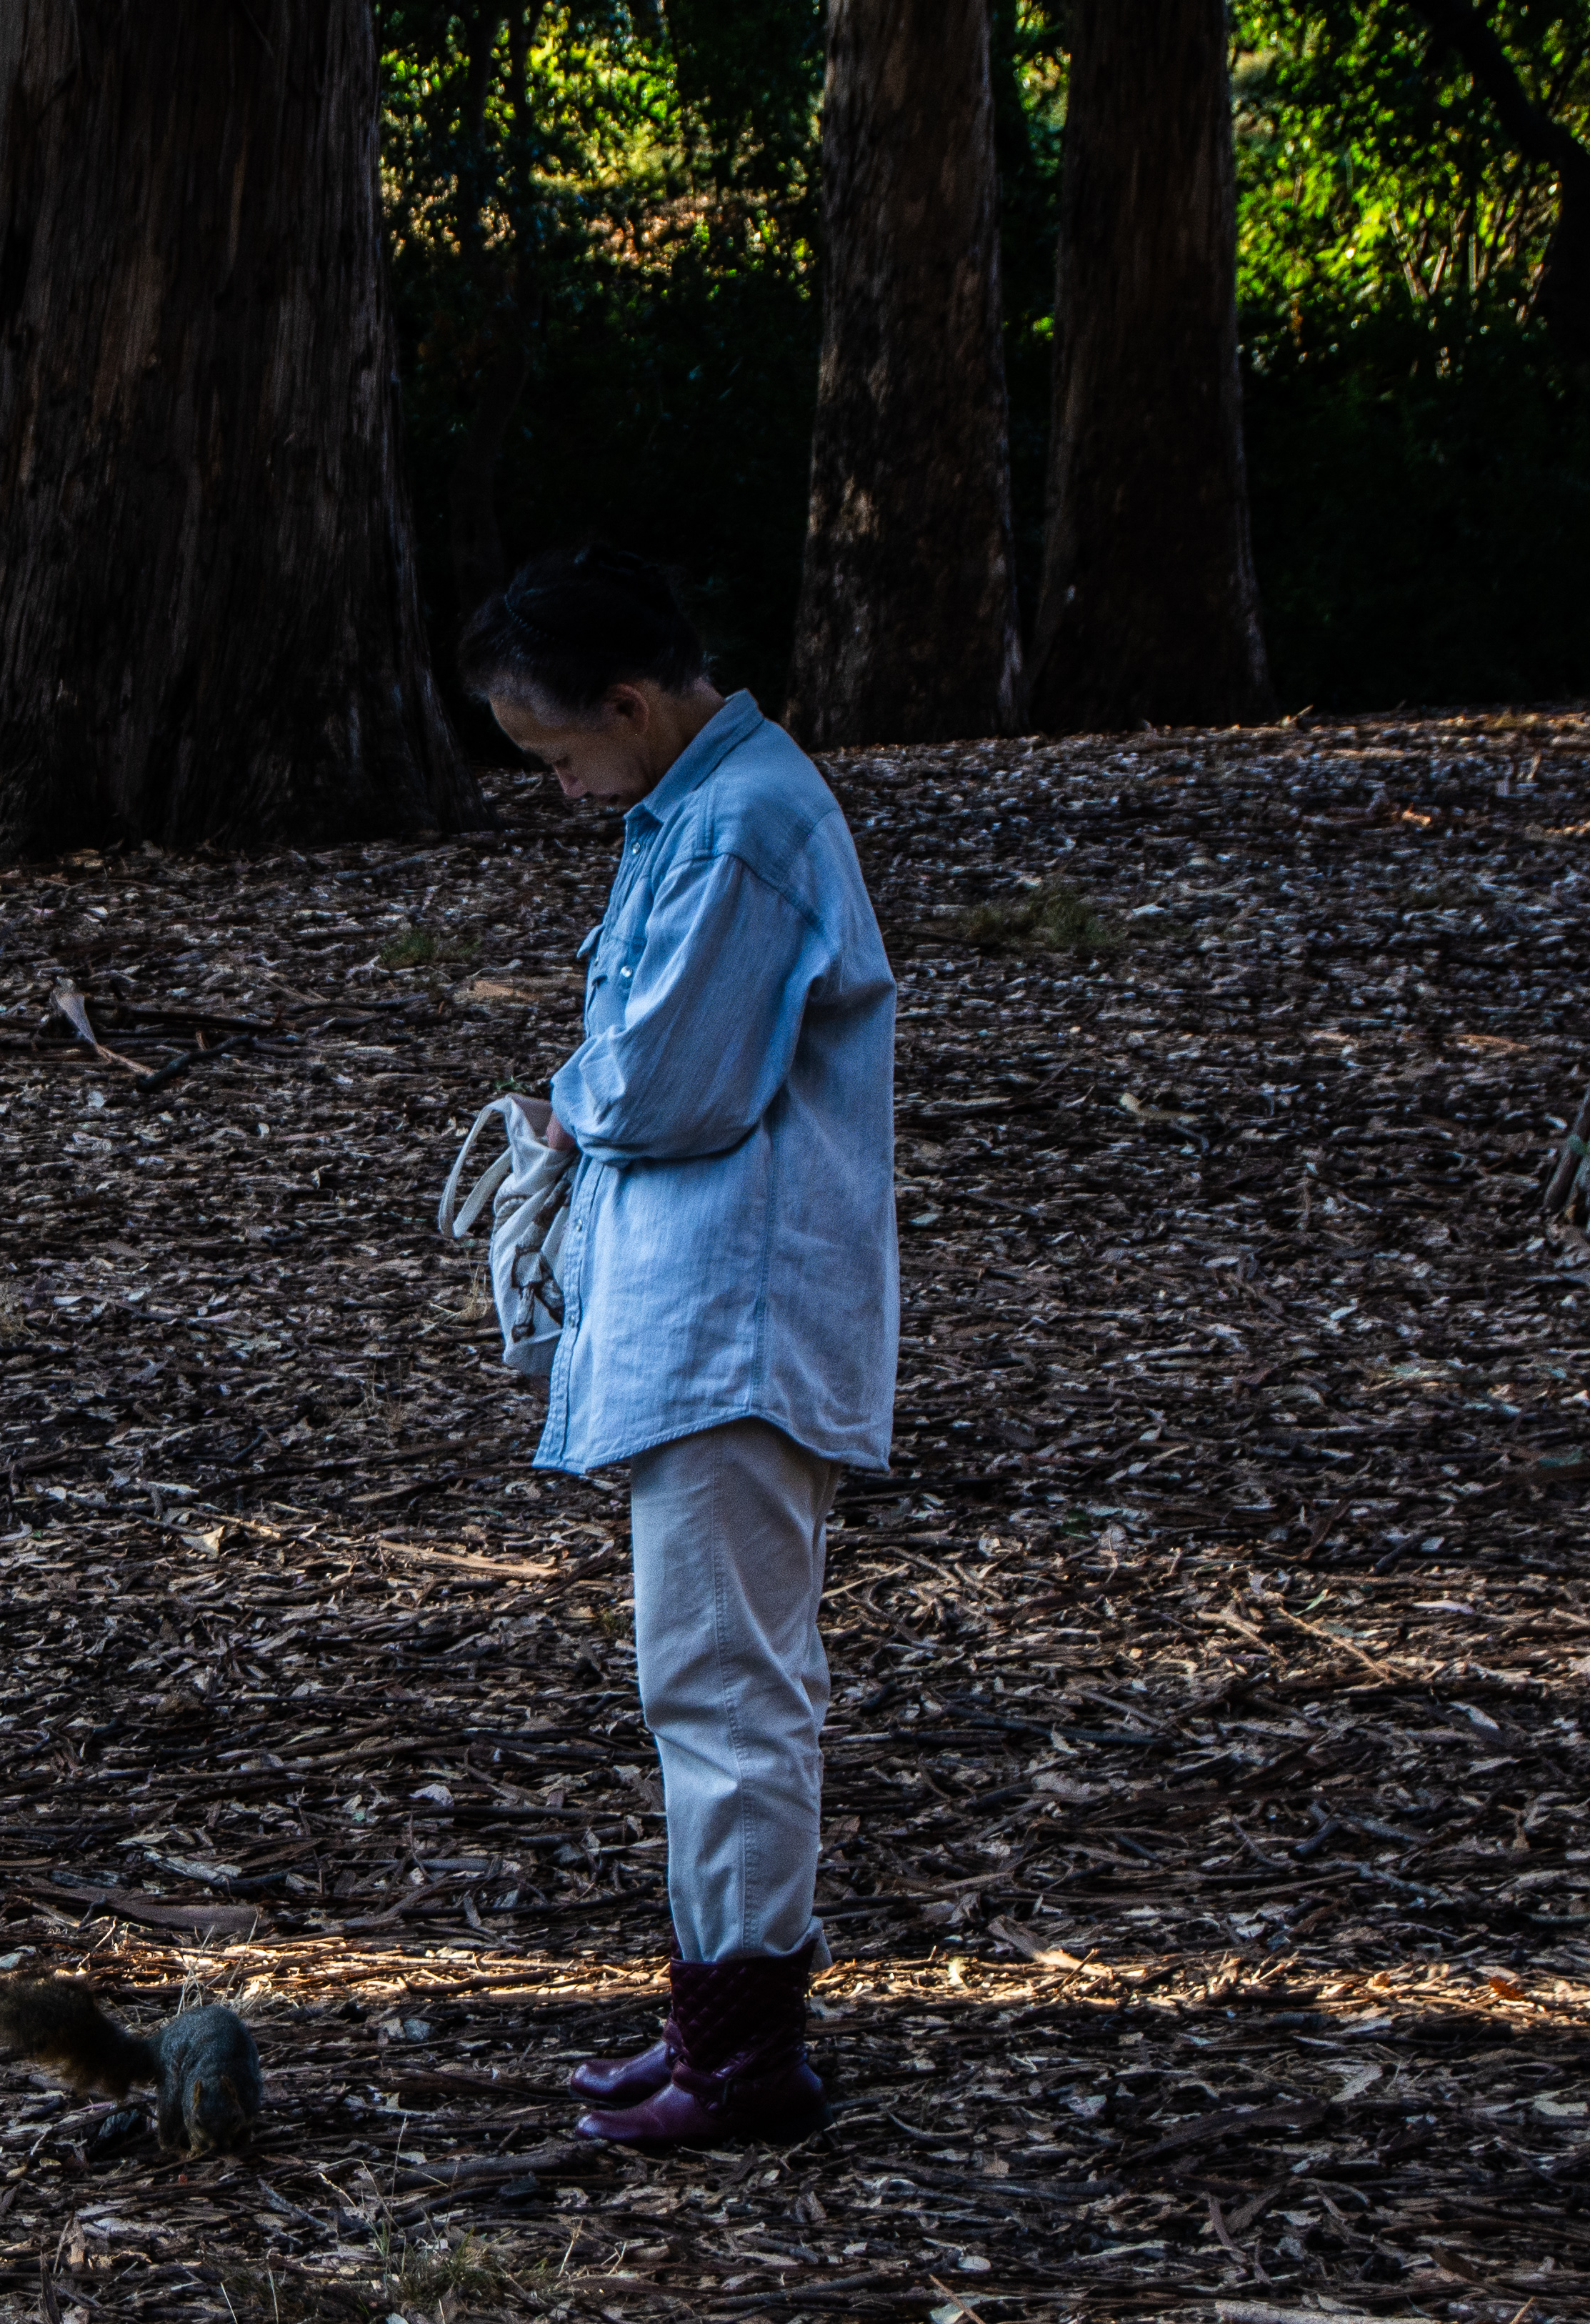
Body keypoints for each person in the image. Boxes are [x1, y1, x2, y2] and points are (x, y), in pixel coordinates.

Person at [459, 546, 898, 2149]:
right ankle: (713, 2019)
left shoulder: (744, 826)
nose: (562, 786)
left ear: (633, 702)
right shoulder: (702, 812)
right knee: (705, 1683)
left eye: (559, 751)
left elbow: (665, 1083)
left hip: (742, 1325)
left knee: (726, 1689)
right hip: (708, 1318)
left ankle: (744, 2053)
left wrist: (569, 1103)